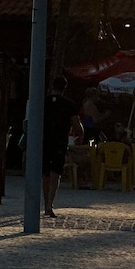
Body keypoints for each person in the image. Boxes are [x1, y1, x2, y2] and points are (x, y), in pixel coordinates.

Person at [42, 76, 80, 217]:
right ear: (65, 88)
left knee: (45, 173)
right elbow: (77, 125)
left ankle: (46, 201)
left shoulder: (44, 102)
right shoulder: (69, 105)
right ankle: (49, 204)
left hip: (44, 140)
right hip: (59, 141)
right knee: (55, 173)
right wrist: (79, 137)